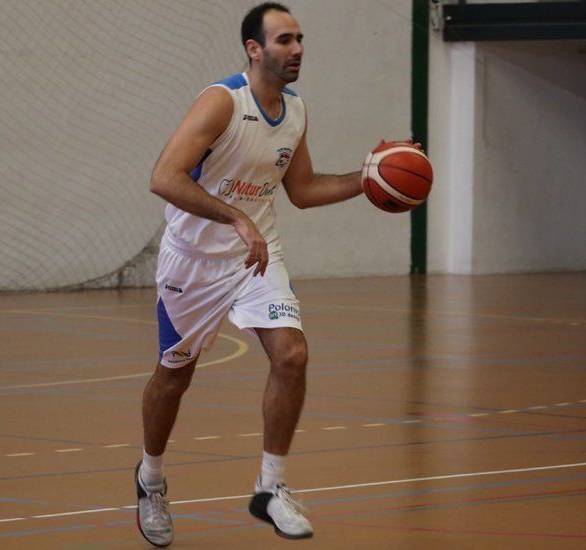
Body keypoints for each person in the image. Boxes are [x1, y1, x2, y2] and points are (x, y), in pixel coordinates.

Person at [135, 2, 415, 546]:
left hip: (255, 258)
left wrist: (372, 177)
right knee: (174, 377)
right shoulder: (221, 103)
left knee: (292, 354)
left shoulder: (295, 111)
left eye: (301, 38)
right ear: (254, 49)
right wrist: (236, 216)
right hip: (191, 261)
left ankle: (271, 487)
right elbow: (163, 177)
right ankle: (150, 479)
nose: (298, 49)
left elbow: (303, 191)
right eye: (284, 39)